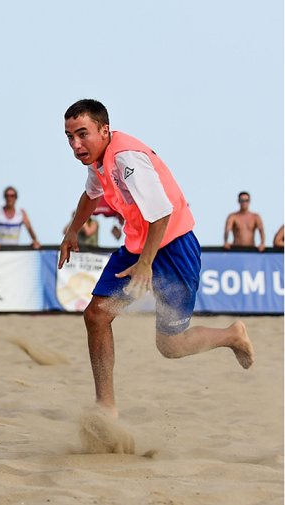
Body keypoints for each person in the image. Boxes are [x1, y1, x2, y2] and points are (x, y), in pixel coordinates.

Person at [58, 98, 254, 419]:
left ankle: (232, 335)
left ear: (104, 130)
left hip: (174, 246)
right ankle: (106, 408)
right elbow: (91, 195)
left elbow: (162, 212)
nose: (76, 145)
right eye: (69, 137)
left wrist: (146, 264)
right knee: (96, 316)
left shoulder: (126, 157)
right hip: (138, 245)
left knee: (170, 346)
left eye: (82, 134)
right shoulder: (98, 160)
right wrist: (72, 231)